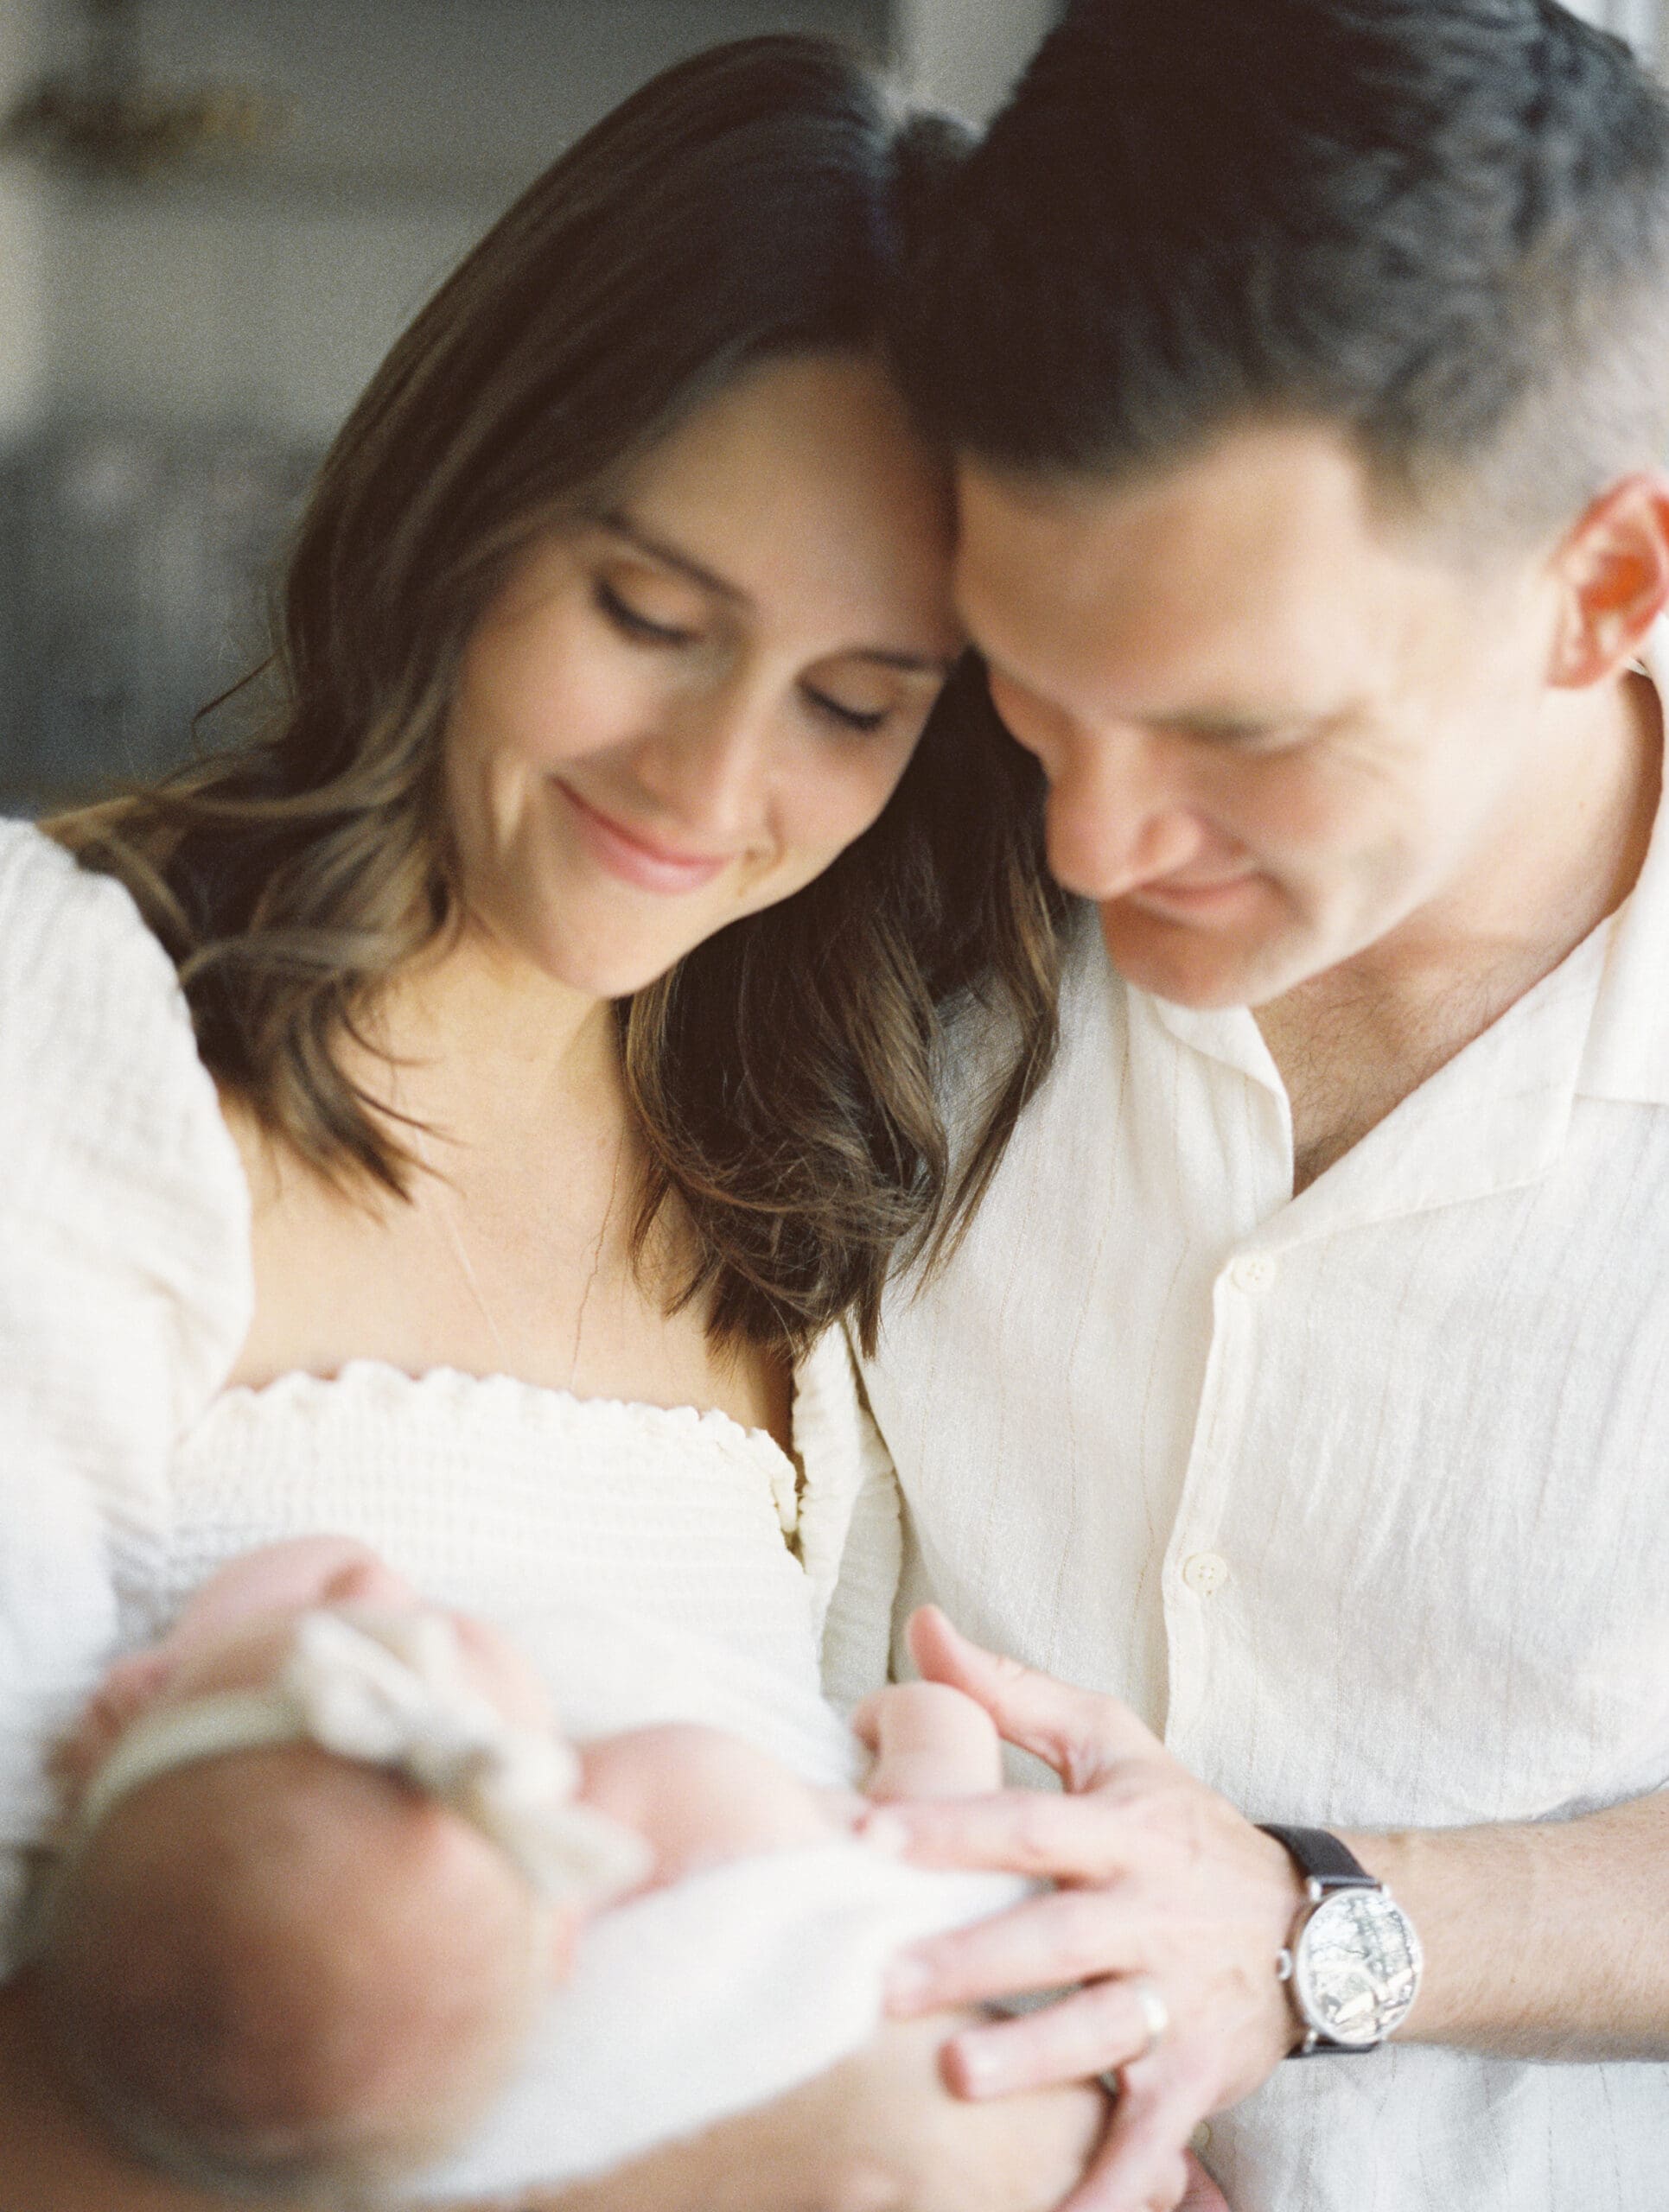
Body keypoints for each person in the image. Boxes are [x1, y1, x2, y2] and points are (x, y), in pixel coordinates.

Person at [0, 33, 1112, 2212]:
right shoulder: (68, 1024)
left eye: (851, 701)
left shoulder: (819, 1160)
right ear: (462, 502)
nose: (706, 787)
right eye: (645, 614)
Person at [844, 1, 1669, 2208]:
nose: (1097, 842)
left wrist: (1303, 1927)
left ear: (1594, 587)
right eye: (1037, 686)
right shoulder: (854, 908)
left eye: (1237, 727)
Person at [30, 1535, 1009, 2202]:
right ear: (570, 1918)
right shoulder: (689, 1797)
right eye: (435, 1642)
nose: (382, 1596)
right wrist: (934, 1722)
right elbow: (933, 1854)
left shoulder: (425, 2027)